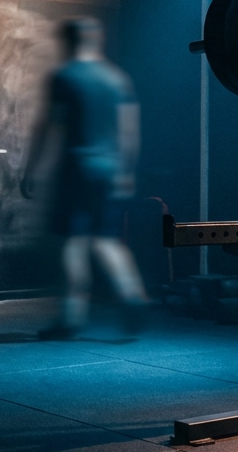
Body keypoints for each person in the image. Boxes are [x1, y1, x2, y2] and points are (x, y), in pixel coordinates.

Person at [22, 17, 150, 339]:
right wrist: (126, 171)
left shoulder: (64, 76)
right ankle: (132, 294)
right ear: (96, 40)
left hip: (76, 167)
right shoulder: (117, 78)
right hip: (109, 169)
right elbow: (129, 130)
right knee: (106, 240)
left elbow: (46, 126)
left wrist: (30, 170)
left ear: (66, 42)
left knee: (73, 242)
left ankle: (71, 317)